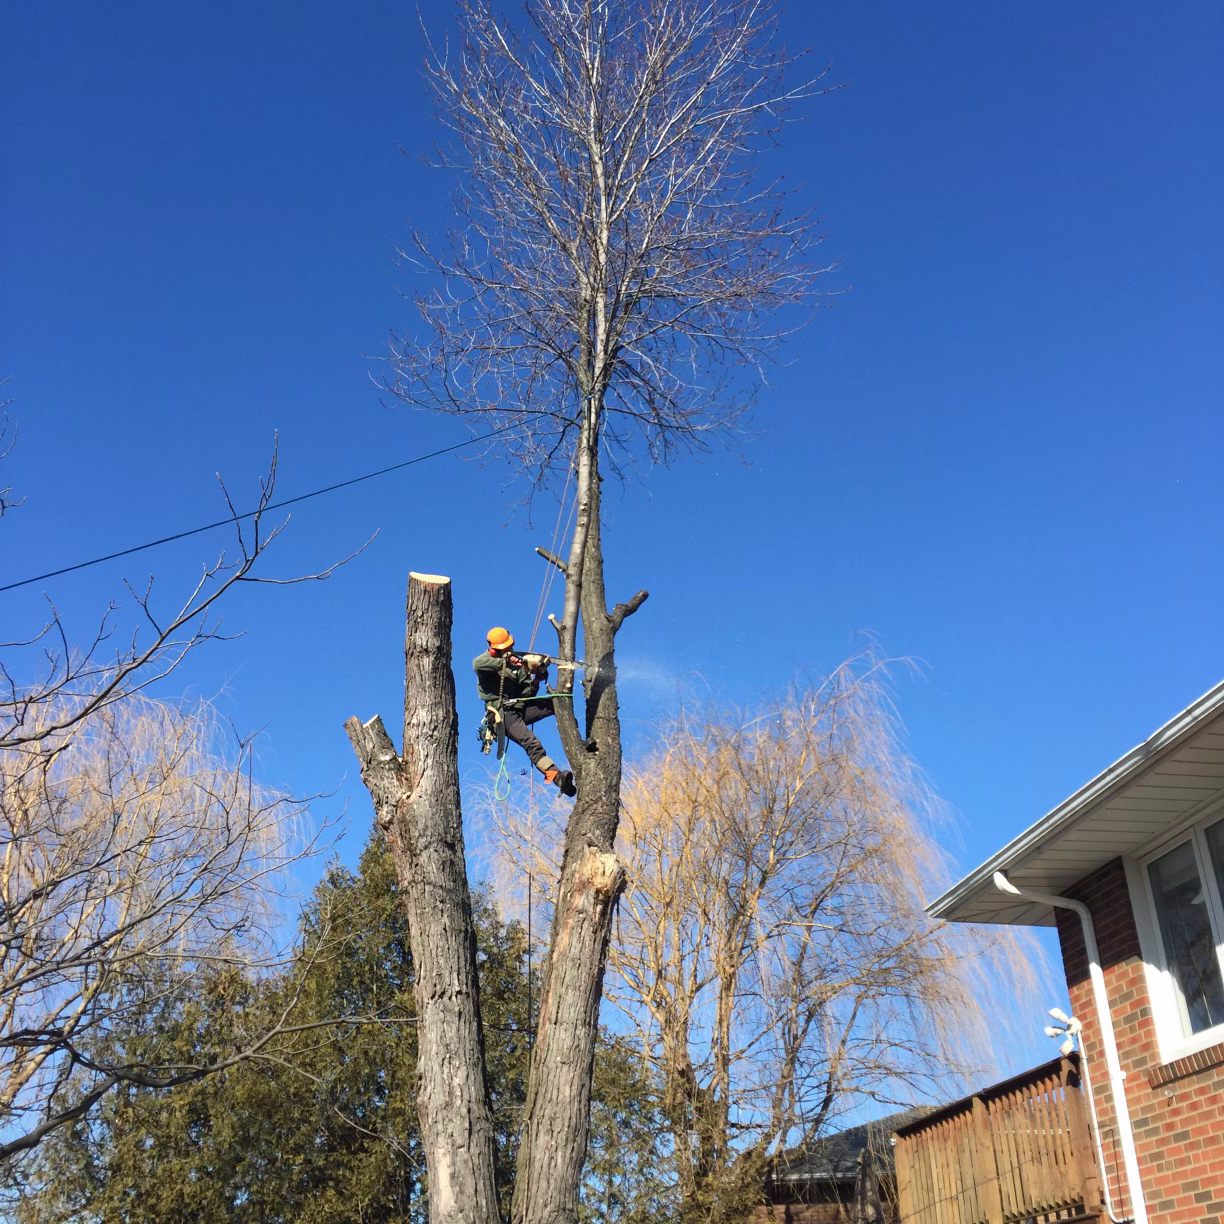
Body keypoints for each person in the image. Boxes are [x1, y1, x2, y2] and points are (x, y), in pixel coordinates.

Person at [473, 627, 576, 797]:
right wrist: (507, 662)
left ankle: (577, 740)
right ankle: (556, 777)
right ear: (493, 648)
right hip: (502, 714)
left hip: (520, 708)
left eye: (509, 647)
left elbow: (527, 695)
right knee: (531, 742)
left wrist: (536, 679)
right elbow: (477, 664)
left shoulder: (518, 668)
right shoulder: (486, 662)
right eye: (503, 649)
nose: (508, 651)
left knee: (555, 703)